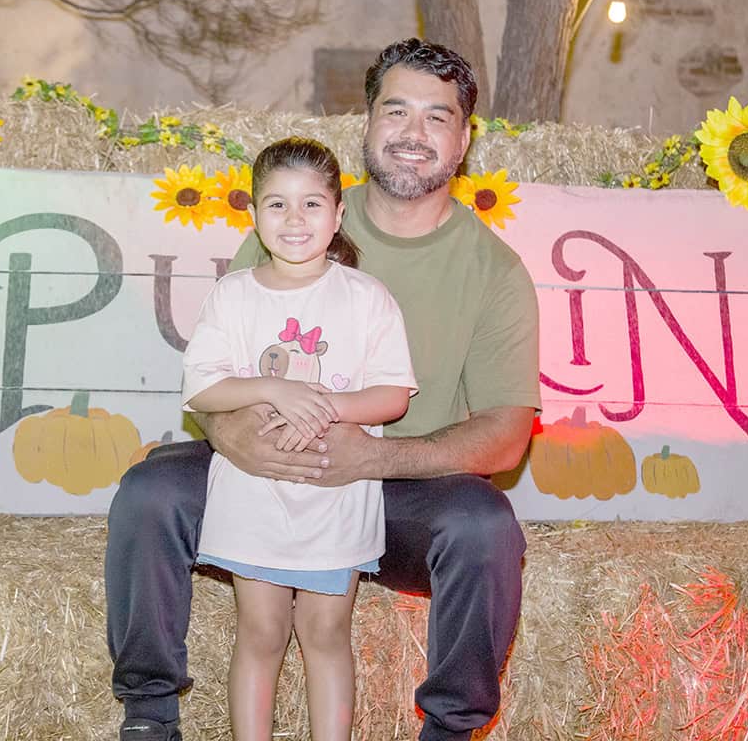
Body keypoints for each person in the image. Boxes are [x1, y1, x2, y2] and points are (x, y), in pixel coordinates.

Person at [106, 38, 541, 741]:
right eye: (395, 110)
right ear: (366, 122)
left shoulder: (494, 271)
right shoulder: (293, 221)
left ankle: (451, 729)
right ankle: (150, 715)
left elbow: (506, 434)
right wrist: (236, 436)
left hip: (399, 488)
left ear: (464, 140)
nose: (413, 132)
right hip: (268, 466)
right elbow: (220, 372)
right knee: (150, 492)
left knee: (483, 526)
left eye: (437, 117)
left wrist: (372, 457)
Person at [182, 136, 418, 741]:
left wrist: (325, 406)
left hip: (333, 495)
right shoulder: (234, 294)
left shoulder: (366, 297)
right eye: (277, 204)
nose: (294, 220)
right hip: (254, 494)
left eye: (312, 204)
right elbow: (202, 388)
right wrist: (274, 389)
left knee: (325, 633)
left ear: (338, 214)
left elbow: (393, 394)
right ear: (254, 214)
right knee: (260, 632)